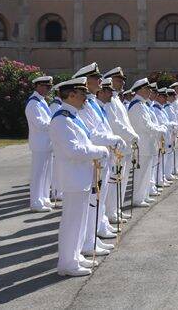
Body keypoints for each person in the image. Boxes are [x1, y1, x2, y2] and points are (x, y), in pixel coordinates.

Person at [49, 77, 109, 276]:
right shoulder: (61, 119)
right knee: (72, 222)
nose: (86, 97)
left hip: (81, 177)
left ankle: (74, 256)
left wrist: (95, 150)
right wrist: (98, 151)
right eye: (82, 93)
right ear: (71, 94)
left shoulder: (74, 117)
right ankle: (67, 264)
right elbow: (73, 150)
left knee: (80, 221)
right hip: (73, 178)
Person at [72, 62, 124, 256]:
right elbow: (93, 134)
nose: (101, 81)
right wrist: (113, 139)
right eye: (96, 78)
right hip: (96, 156)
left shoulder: (92, 103)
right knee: (93, 202)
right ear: (85, 81)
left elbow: (103, 128)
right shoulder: (85, 106)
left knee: (98, 201)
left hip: (104, 155)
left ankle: (93, 237)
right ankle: (88, 242)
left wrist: (111, 140)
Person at [102, 67, 139, 223]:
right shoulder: (109, 101)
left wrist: (131, 137)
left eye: (123, 80)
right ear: (110, 80)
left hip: (125, 145)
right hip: (117, 146)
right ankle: (111, 212)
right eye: (119, 80)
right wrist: (131, 136)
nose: (122, 82)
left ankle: (116, 209)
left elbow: (126, 122)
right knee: (115, 181)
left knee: (122, 180)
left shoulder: (117, 99)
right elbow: (115, 124)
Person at [127, 78, 166, 207]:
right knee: (141, 174)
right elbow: (144, 125)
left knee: (146, 172)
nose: (150, 92)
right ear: (142, 90)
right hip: (142, 145)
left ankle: (143, 196)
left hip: (147, 144)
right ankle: (137, 198)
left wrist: (158, 129)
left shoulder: (142, 104)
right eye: (148, 89)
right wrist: (159, 130)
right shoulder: (137, 105)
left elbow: (149, 124)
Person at [25, 76, 54, 212]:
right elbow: (39, 123)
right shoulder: (33, 103)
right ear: (38, 86)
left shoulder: (41, 101)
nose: (48, 90)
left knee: (46, 174)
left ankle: (44, 198)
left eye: (49, 87)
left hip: (46, 142)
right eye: (46, 87)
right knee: (38, 174)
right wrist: (55, 124)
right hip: (39, 143)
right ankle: (36, 202)